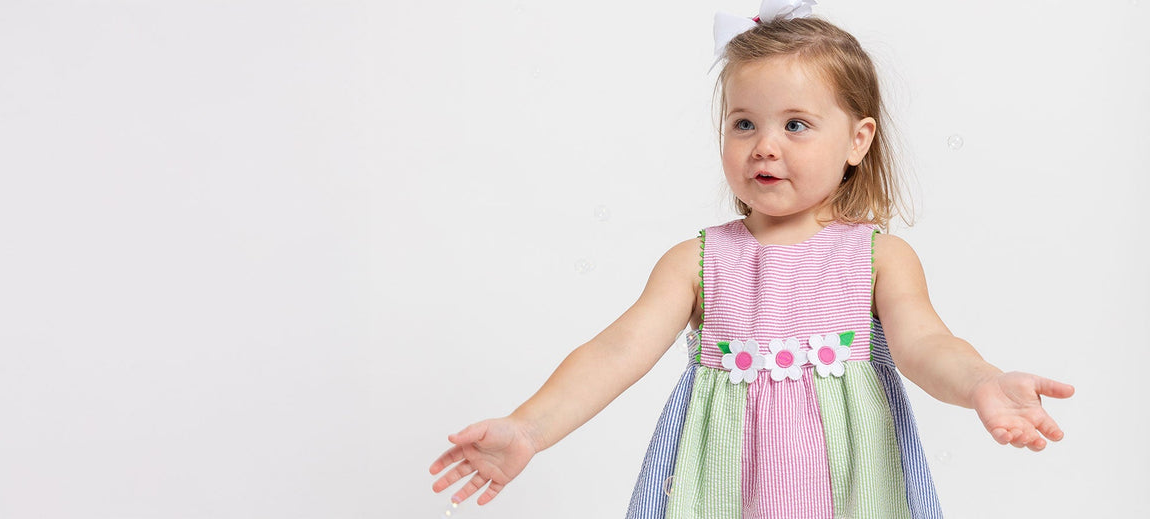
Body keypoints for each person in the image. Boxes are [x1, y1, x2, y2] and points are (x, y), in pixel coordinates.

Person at [427, 1, 1075, 517]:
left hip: (847, 490)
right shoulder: (697, 261)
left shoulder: (878, 256)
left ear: (858, 138)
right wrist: (530, 426)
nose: (765, 146)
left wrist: (982, 380)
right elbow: (615, 351)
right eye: (744, 123)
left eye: (795, 124)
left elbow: (927, 343)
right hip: (720, 486)